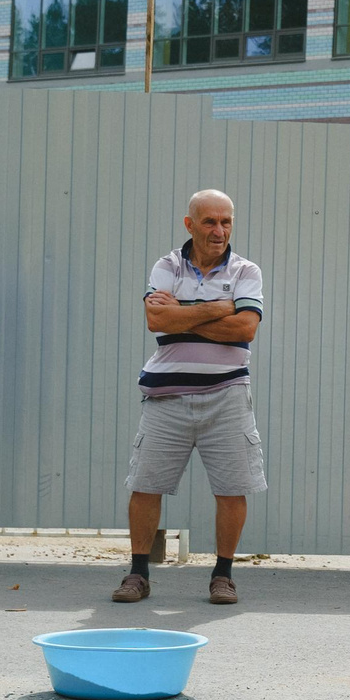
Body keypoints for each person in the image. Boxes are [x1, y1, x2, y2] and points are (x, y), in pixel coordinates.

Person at [114, 189, 266, 605]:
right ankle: (138, 573)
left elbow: (245, 329)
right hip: (167, 397)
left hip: (228, 395)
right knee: (146, 484)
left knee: (232, 489)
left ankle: (223, 576)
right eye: (209, 222)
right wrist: (220, 307)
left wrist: (181, 313)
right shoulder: (167, 265)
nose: (219, 231)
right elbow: (155, 319)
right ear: (190, 224)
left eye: (226, 222)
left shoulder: (246, 270)